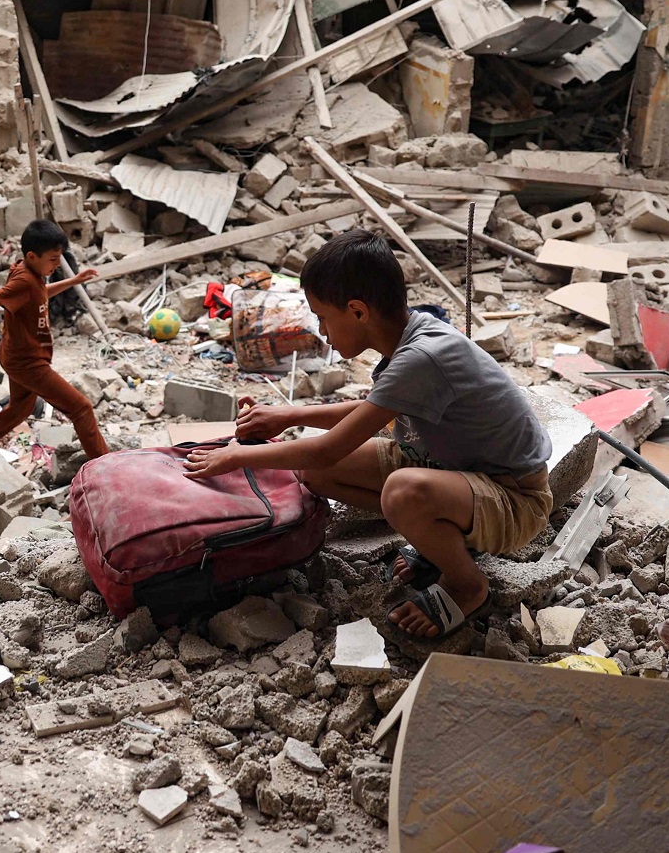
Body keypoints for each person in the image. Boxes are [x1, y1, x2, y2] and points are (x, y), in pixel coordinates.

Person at [183, 228, 553, 639]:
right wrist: (288, 416)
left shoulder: (422, 357)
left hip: (513, 498)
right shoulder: (410, 336)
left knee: (401, 492)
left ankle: (466, 585)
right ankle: (443, 540)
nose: (322, 331)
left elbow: (326, 449)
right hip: (451, 469)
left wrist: (233, 456)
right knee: (317, 476)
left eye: (323, 317)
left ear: (358, 311)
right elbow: (370, 413)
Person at [0, 218, 108, 474]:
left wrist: (72, 281)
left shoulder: (30, 273)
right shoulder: (24, 281)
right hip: (28, 363)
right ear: (32, 256)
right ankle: (109, 467)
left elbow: (39, 293)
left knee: (21, 408)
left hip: (16, 355)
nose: (57, 264)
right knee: (81, 408)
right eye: (53, 259)